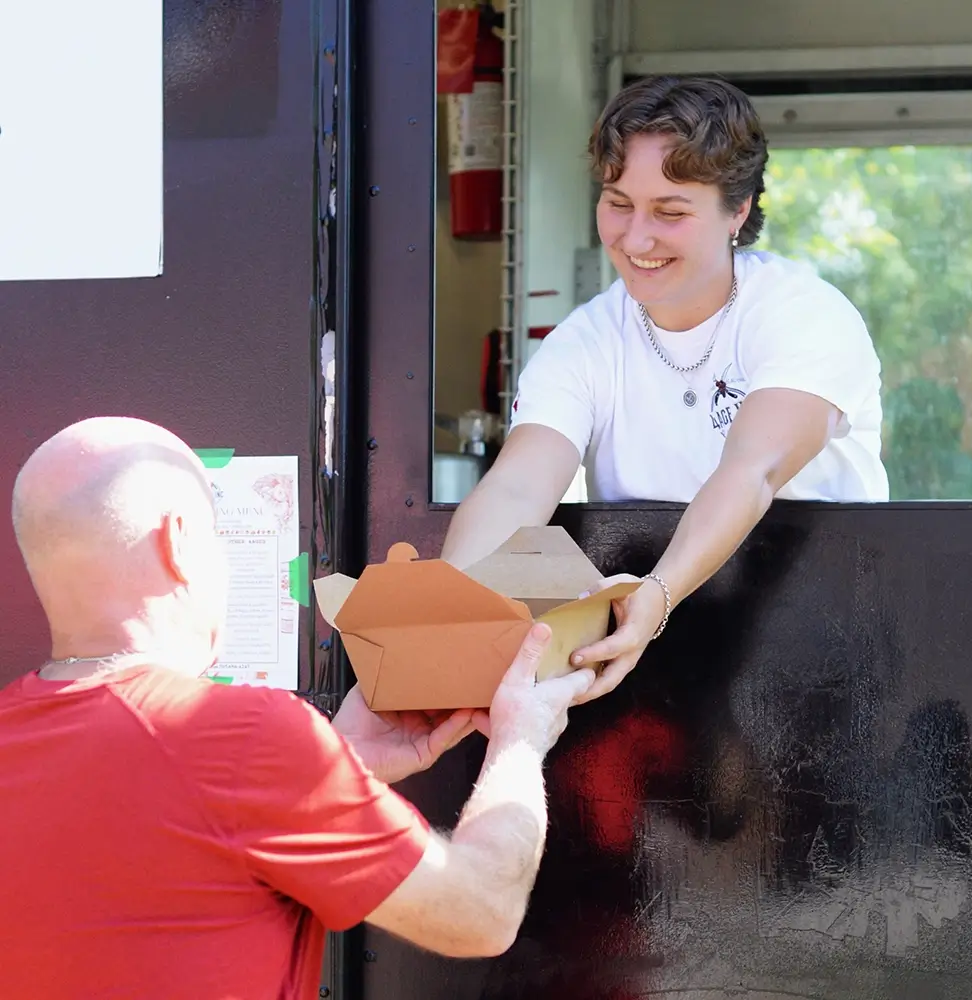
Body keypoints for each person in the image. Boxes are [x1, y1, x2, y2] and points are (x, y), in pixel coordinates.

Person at [1, 416, 596, 999]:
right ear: (178, 542)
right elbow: (481, 912)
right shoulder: (241, 737)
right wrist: (520, 740)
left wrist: (334, 766)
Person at [441, 74, 889, 704]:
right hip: (641, 660)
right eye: (618, 203)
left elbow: (752, 471)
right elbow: (518, 485)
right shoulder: (585, 341)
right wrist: (445, 614)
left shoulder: (804, 315)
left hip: (822, 647)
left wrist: (659, 592)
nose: (636, 238)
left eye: (670, 212)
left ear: (738, 210)